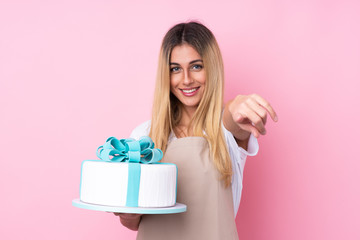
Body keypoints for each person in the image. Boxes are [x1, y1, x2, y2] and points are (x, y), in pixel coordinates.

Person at [114, 21, 278, 239]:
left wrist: (236, 106)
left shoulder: (225, 130)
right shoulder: (144, 135)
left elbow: (232, 122)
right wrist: (126, 212)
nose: (186, 80)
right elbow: (134, 223)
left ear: (212, 68)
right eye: (175, 69)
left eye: (196, 66)